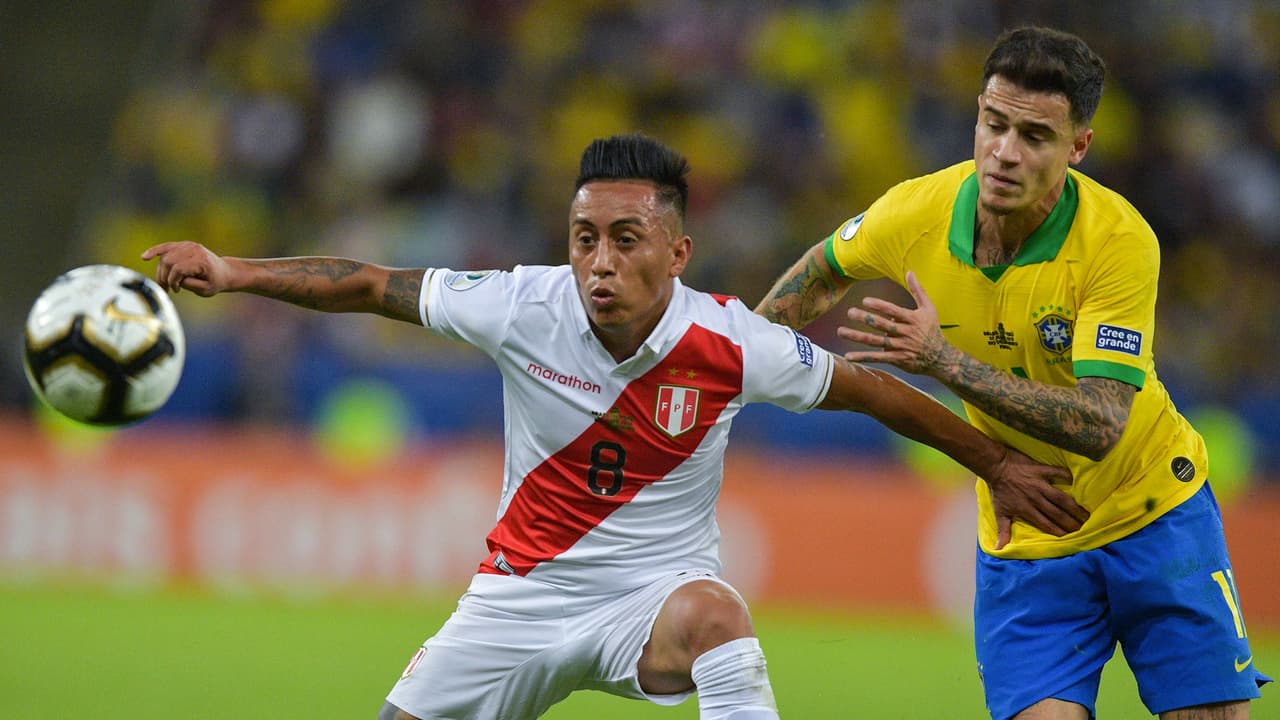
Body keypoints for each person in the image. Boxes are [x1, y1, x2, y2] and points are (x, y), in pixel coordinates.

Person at [143, 134, 1084, 720]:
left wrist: (995, 461)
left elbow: (871, 393)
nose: (598, 261)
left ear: (676, 253)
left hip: (650, 599)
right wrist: (232, 270)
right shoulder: (520, 304)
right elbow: (367, 284)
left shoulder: (731, 340)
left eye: (624, 240)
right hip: (514, 602)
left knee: (719, 615)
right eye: (583, 237)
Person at [755, 26, 1270, 720]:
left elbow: (1099, 423)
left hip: (1152, 512)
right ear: (977, 114)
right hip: (1029, 533)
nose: (1003, 152)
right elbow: (819, 273)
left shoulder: (1117, 243)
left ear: (1077, 147)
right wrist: (738, 360)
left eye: (1034, 136)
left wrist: (945, 362)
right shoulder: (918, 213)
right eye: (994, 124)